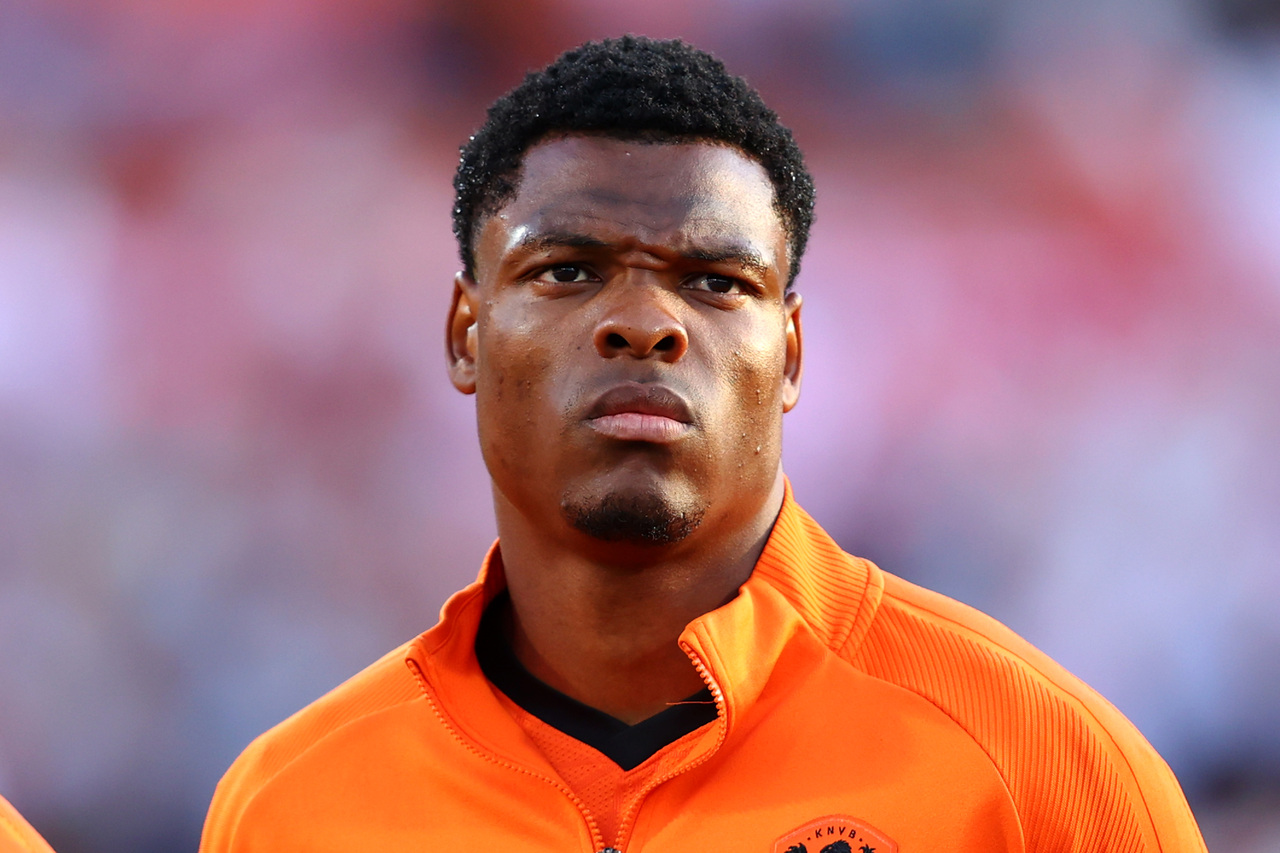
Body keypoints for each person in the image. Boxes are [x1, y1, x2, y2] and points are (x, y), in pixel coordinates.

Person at [199, 36, 1207, 852]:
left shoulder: (1040, 769)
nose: (643, 323)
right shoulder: (294, 803)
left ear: (792, 353)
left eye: (715, 282)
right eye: (567, 270)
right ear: (467, 333)